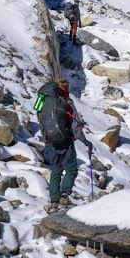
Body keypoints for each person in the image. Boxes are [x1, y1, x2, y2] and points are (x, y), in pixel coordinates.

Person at [35, 78, 91, 210]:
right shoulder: (66, 101)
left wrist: (46, 138)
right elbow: (75, 123)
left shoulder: (42, 99)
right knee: (71, 169)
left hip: (50, 140)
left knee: (56, 170)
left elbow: (40, 119)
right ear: (66, 88)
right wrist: (84, 140)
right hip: (66, 140)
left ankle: (54, 201)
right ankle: (65, 194)